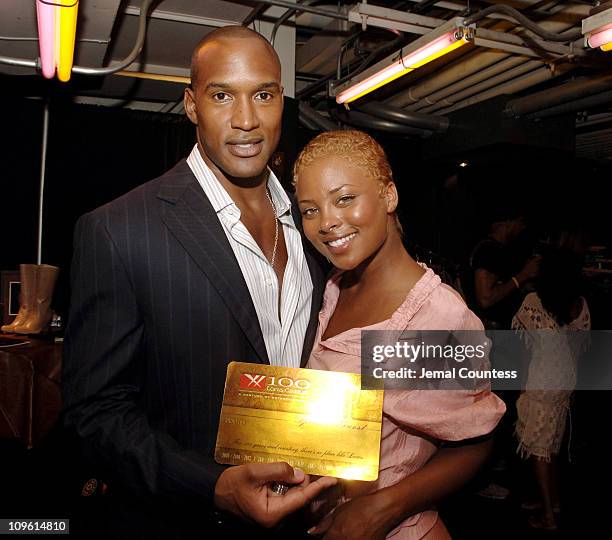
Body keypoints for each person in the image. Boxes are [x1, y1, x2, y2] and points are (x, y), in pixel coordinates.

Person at [61, 26, 335, 539]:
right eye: (221, 95)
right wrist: (213, 486)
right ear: (191, 105)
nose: (247, 120)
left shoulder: (314, 222)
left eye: (263, 94)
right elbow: (94, 413)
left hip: (304, 515)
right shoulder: (120, 230)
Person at [293, 130, 506, 539]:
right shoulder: (337, 286)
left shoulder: (431, 319)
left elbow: (476, 440)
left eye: (344, 199)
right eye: (309, 210)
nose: (327, 222)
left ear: (389, 196)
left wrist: (381, 508)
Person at [512, 240, 591, 532]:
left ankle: (548, 515)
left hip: (542, 380)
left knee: (538, 447)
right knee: (551, 443)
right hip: (565, 380)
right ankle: (553, 500)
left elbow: (525, 346)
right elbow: (579, 345)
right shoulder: (579, 303)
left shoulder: (534, 302)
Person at [470, 208, 540, 330]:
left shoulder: (499, 250)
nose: (522, 227)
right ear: (508, 222)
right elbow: (485, 299)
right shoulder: (488, 250)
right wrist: (524, 274)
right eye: (520, 222)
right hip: (491, 332)